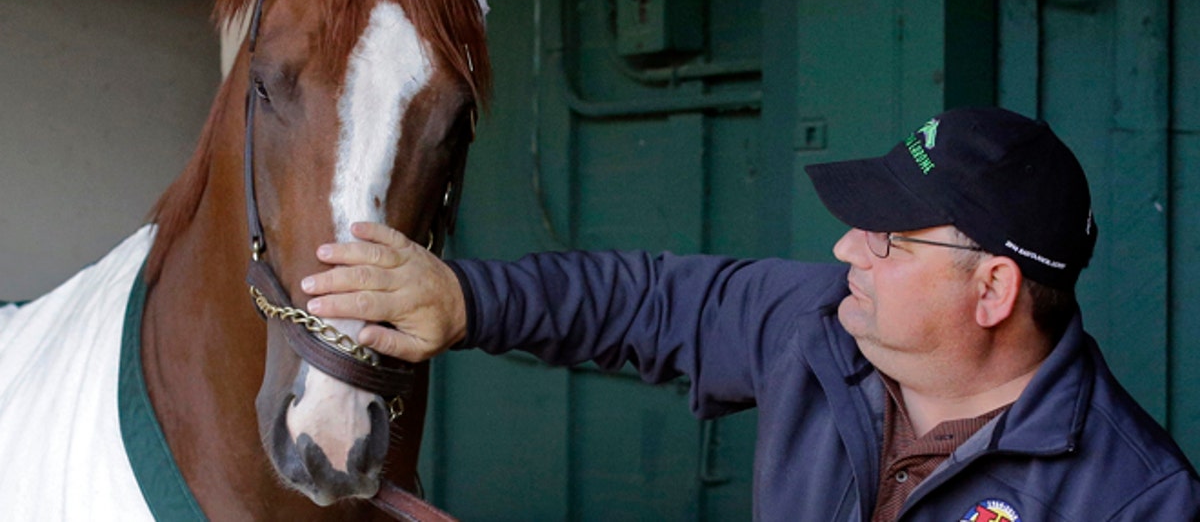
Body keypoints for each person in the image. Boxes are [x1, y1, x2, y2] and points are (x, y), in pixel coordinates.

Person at [301, 106, 1200, 520]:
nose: (850, 249)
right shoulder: (818, 325)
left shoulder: (1135, 499)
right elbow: (650, 303)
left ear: (993, 291)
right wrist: (465, 299)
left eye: (891, 239)